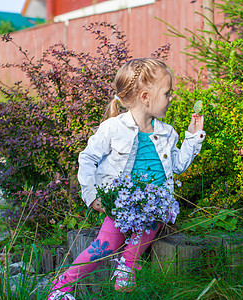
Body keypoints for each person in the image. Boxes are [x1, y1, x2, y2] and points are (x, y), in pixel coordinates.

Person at [48, 58, 205, 300]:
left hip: (153, 205)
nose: (171, 98)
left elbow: (178, 165)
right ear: (145, 97)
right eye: (167, 93)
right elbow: (87, 158)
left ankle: (127, 265)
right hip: (121, 206)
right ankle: (61, 287)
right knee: (103, 247)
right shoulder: (113, 128)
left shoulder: (167, 133)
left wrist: (193, 137)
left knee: (158, 215)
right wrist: (91, 196)